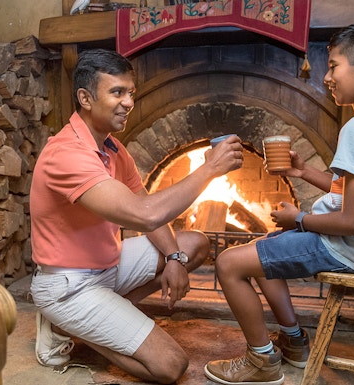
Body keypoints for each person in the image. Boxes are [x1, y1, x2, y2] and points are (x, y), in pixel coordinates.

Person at [204, 22, 354, 385]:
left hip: (348, 247)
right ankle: (295, 344)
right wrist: (303, 173)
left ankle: (261, 362)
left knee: (227, 263)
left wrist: (298, 218)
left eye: (333, 65)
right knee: (263, 250)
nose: (327, 76)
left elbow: (352, 221)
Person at [29, 48, 244, 384]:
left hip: (109, 268)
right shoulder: (66, 153)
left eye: (131, 92)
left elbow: (146, 202)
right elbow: (143, 215)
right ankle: (68, 326)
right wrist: (211, 168)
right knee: (170, 365)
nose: (129, 102)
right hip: (69, 284)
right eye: (117, 92)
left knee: (193, 244)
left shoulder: (113, 147)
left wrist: (174, 257)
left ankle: (100, 317)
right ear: (85, 98)